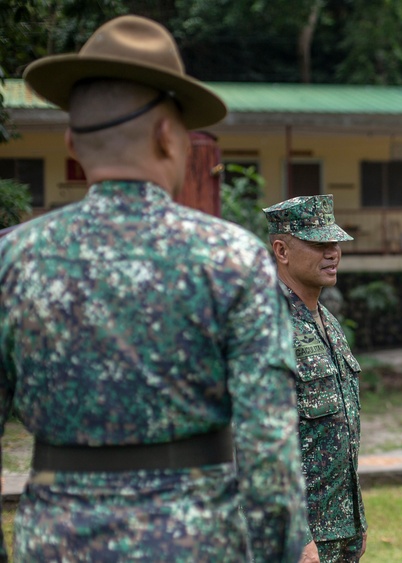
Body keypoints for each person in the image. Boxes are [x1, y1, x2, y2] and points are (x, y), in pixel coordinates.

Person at [0, 15, 308, 561]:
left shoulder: (13, 260)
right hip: (195, 542)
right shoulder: (231, 260)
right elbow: (268, 452)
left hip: (55, 543)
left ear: (72, 143)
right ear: (169, 136)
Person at [264, 195, 367, 562]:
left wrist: (355, 522)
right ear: (282, 250)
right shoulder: (267, 327)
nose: (332, 253)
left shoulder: (327, 321)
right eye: (319, 244)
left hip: (339, 528)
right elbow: (261, 445)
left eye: (334, 243)